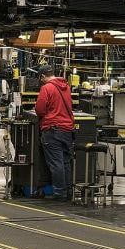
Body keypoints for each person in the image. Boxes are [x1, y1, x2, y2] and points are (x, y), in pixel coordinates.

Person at [34, 64, 75, 201]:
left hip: (52, 129)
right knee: (65, 162)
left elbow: (40, 109)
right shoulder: (66, 86)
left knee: (56, 163)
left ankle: (59, 193)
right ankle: (68, 191)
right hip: (67, 129)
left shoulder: (46, 88)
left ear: (42, 76)